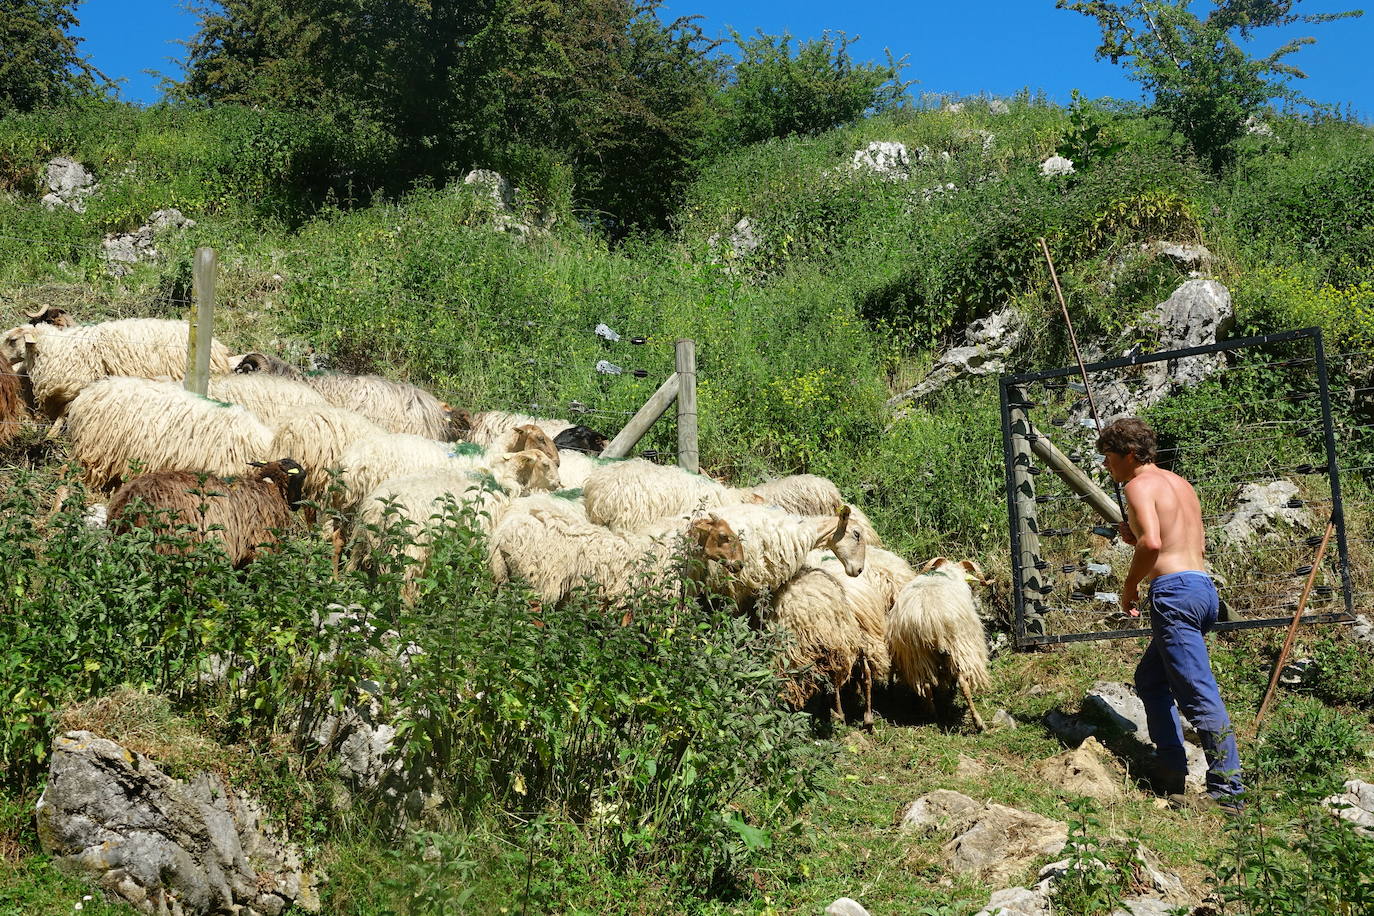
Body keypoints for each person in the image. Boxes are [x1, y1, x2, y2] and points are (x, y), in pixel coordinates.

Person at [1096, 417, 1244, 810]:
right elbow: (1184, 539)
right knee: (1150, 680)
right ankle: (1169, 769)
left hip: (1174, 594)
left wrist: (1130, 586)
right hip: (1201, 588)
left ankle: (1228, 793)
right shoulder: (1180, 484)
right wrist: (1137, 534)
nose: (1106, 465)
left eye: (1109, 457)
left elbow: (1153, 543)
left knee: (1197, 693)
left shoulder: (1137, 485)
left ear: (1129, 455)